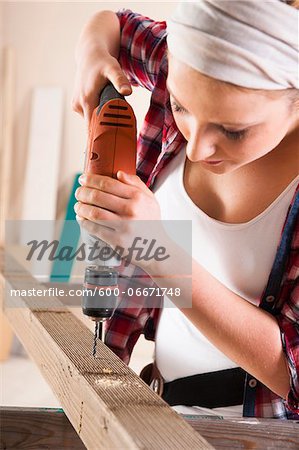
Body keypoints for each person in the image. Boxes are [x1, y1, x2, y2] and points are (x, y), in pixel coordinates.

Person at [73, 1, 299, 419]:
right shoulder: (182, 62)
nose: (195, 146)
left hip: (252, 436)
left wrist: (157, 249)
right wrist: (91, 56)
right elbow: (115, 25)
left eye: (232, 130)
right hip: (162, 408)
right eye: (180, 106)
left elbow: (294, 372)